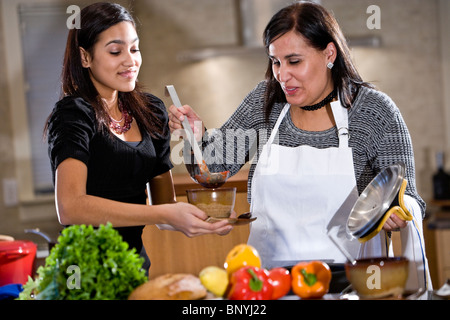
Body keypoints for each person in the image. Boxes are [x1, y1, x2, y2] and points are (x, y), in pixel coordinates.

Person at [169, 1, 431, 292]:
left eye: (294, 61)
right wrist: (194, 137)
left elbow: (410, 200)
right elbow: (212, 170)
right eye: (275, 61)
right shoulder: (265, 101)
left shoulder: (373, 111)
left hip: (351, 287)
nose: (282, 75)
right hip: (267, 284)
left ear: (329, 54)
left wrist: (396, 209)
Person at [45, 2, 232, 273]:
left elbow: (165, 207)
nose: (130, 60)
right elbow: (71, 207)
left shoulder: (151, 111)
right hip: (84, 273)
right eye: (115, 51)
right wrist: (163, 213)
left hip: (134, 269)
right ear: (85, 57)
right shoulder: (73, 113)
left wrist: (208, 219)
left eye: (134, 49)